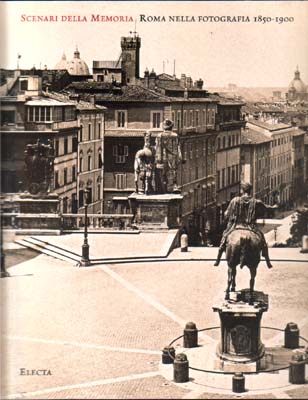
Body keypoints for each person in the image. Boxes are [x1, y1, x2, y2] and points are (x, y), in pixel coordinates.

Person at [214, 182, 277, 268]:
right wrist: (275, 206)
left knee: (224, 236)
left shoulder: (235, 200)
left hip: (236, 226)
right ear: (250, 190)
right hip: (251, 227)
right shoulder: (256, 202)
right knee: (262, 240)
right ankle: (267, 261)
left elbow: (226, 214)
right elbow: (267, 208)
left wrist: (227, 216)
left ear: (242, 190)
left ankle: (218, 259)